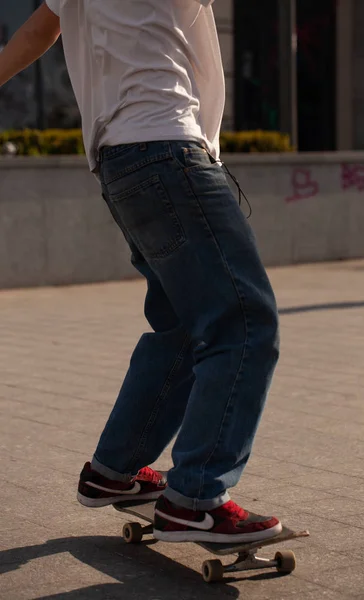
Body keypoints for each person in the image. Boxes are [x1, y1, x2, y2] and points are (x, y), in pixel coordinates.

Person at [0, 0, 281, 544]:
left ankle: (115, 470)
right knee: (244, 322)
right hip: (166, 146)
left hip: (120, 159)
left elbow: (38, 29)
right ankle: (195, 498)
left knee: (180, 325)